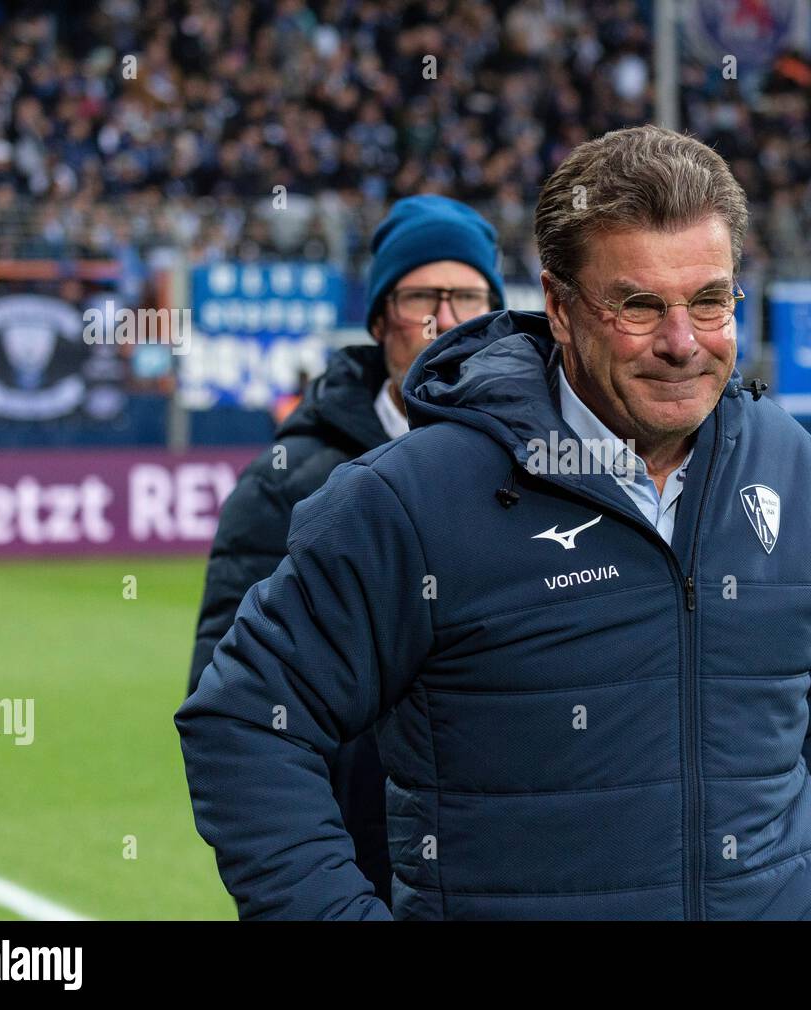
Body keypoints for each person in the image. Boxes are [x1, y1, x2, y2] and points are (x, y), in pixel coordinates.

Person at [177, 125, 811, 921]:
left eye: (709, 302)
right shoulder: (414, 499)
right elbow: (247, 719)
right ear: (559, 309)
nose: (681, 342)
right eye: (639, 305)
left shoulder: (799, 474)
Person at [185, 194, 506, 909]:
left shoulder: (544, 469)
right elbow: (234, 720)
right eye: (423, 295)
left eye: (468, 297)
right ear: (380, 316)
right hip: (364, 876)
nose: (446, 320)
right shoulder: (288, 484)